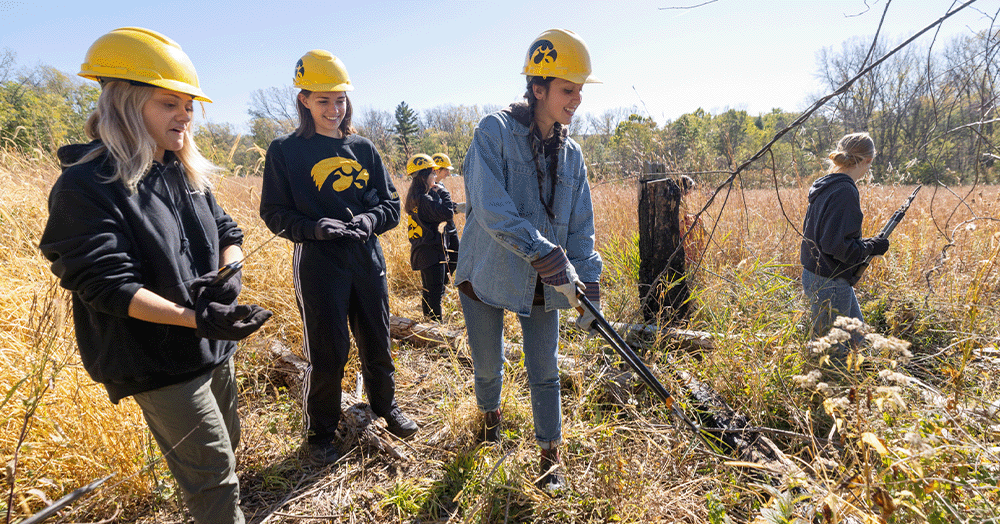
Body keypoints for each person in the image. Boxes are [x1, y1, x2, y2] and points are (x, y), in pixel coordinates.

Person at [38, 27, 272, 524]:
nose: (185, 115)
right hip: (158, 360)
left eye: (188, 105)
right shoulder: (87, 184)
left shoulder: (182, 171)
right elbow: (106, 284)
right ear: (126, 104)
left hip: (211, 346)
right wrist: (197, 319)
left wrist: (229, 273)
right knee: (210, 476)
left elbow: (229, 230)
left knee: (227, 452)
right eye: (170, 103)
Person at [455, 28, 603, 492]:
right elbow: (491, 208)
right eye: (567, 89)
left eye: (579, 90)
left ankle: (549, 457)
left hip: (545, 282)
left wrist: (589, 281)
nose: (576, 99)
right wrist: (544, 254)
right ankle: (490, 415)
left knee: (546, 371)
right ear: (538, 88)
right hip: (486, 272)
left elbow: (581, 225)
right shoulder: (493, 131)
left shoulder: (573, 153)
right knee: (487, 364)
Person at [259, 50, 418, 466]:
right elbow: (273, 213)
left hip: (366, 257)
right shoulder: (285, 151)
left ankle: (386, 406)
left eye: (341, 99)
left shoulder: (363, 148)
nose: (334, 109)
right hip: (318, 262)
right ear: (304, 100)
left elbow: (390, 204)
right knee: (328, 352)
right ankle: (321, 433)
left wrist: (368, 219)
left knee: (377, 340)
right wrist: (314, 228)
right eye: (323, 100)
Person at [800, 132, 889, 347]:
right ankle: (831, 380)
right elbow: (836, 246)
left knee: (857, 338)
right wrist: (870, 247)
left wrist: (867, 245)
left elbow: (828, 236)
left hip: (817, 275)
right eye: (870, 165)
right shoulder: (845, 190)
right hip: (830, 281)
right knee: (833, 351)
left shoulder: (827, 184)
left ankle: (859, 376)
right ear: (868, 160)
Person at [405, 153, 455, 322]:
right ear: (425, 176)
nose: (436, 176)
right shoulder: (425, 199)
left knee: (428, 291)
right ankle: (436, 327)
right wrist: (443, 192)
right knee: (435, 294)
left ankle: (428, 323)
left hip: (421, 251)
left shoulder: (414, 199)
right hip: (432, 252)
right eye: (433, 173)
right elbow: (447, 213)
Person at [431, 152, 461, 275]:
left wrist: (458, 207)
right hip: (440, 230)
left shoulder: (441, 185)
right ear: (437, 170)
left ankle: (445, 283)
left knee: (456, 256)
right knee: (444, 261)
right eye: (446, 170)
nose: (448, 173)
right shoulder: (428, 188)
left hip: (450, 227)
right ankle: (441, 287)